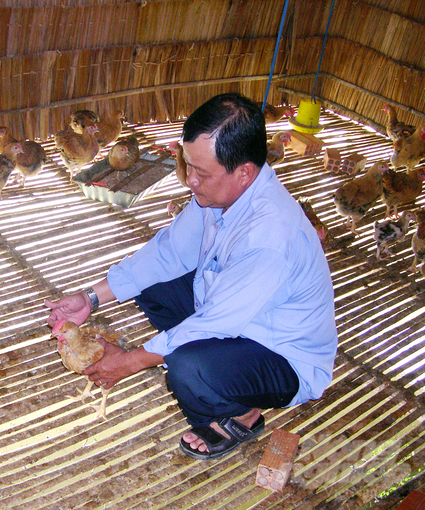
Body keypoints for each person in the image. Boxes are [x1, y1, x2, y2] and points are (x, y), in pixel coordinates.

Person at [45, 92, 337, 460]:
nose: (191, 182)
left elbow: (214, 322)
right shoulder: (220, 195)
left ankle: (241, 413)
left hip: (281, 353)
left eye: (201, 172)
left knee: (187, 367)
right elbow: (168, 252)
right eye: (190, 167)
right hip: (231, 312)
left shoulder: (269, 237)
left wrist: (132, 360)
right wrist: (90, 298)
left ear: (244, 173)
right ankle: (201, 360)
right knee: (153, 285)